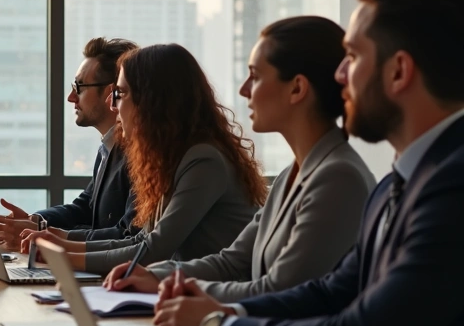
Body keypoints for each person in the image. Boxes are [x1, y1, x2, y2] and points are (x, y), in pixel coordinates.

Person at [153, 0, 464, 326]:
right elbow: (330, 292)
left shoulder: (453, 187)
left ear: (399, 71)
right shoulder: (398, 184)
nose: (340, 76)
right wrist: (226, 314)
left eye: (353, 57)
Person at [105, 16, 375, 301]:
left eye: (255, 76)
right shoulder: (291, 175)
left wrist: (179, 289)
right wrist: (155, 277)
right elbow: (231, 261)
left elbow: (279, 291)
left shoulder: (337, 178)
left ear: (297, 88)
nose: (244, 89)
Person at [23, 44, 265, 275]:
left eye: (119, 93)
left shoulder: (203, 160)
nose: (113, 105)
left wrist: (62, 255)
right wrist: (58, 244)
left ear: (151, 101)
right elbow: (140, 240)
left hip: (215, 300)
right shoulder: (168, 158)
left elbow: (153, 251)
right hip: (182, 292)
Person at [0, 37, 139, 250]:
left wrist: (46, 235)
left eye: (79, 87)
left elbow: (127, 236)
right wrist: (34, 222)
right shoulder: (108, 147)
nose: (71, 97)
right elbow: (85, 208)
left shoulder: (140, 155)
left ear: (110, 93)